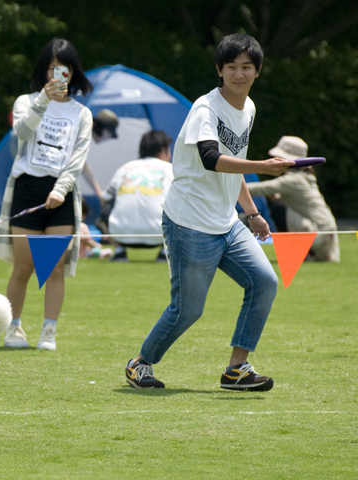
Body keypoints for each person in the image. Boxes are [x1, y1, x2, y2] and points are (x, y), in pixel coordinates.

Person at [124, 33, 294, 391]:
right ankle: (140, 364)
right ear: (219, 70)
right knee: (187, 310)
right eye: (231, 67)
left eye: (246, 67)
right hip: (189, 223)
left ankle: (236, 369)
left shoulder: (248, 108)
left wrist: (251, 213)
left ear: (258, 71)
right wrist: (264, 167)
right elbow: (211, 158)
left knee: (264, 282)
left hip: (227, 222)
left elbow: (233, 166)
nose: (239, 74)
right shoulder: (206, 109)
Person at [0, 38, 94, 350]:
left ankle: (48, 331)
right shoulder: (26, 102)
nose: (58, 75)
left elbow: (78, 158)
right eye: (52, 69)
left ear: (73, 72)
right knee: (23, 266)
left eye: (64, 69)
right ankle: (13, 328)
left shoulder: (82, 113)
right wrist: (42, 100)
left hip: (61, 195)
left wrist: (60, 190)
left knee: (54, 267)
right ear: (43, 70)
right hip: (27, 189)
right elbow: (21, 135)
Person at [247, 136, 339, 262]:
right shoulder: (305, 176)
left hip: (319, 236)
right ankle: (307, 252)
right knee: (282, 206)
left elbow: (261, 188)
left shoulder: (292, 180)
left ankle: (304, 252)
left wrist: (232, 188)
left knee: (279, 211)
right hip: (327, 235)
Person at [102, 130, 173, 262]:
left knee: (107, 208)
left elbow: (104, 199)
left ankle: (119, 252)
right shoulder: (170, 169)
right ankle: (165, 252)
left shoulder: (125, 168)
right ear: (163, 151)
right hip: (159, 235)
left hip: (121, 234)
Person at [82, 109, 120, 199]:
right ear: (105, 129)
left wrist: (99, 193)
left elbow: (83, 165)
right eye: (110, 135)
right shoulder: (79, 133)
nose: (107, 139)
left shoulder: (82, 133)